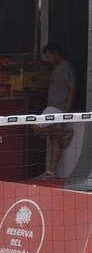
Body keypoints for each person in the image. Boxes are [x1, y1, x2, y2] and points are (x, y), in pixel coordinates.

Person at [36, 42, 76, 179]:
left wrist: (66, 110)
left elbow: (71, 89)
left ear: (56, 54)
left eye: (49, 56)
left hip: (58, 107)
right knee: (54, 139)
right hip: (51, 105)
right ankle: (51, 172)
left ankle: (65, 133)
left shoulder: (66, 67)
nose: (48, 59)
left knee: (35, 127)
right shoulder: (53, 68)